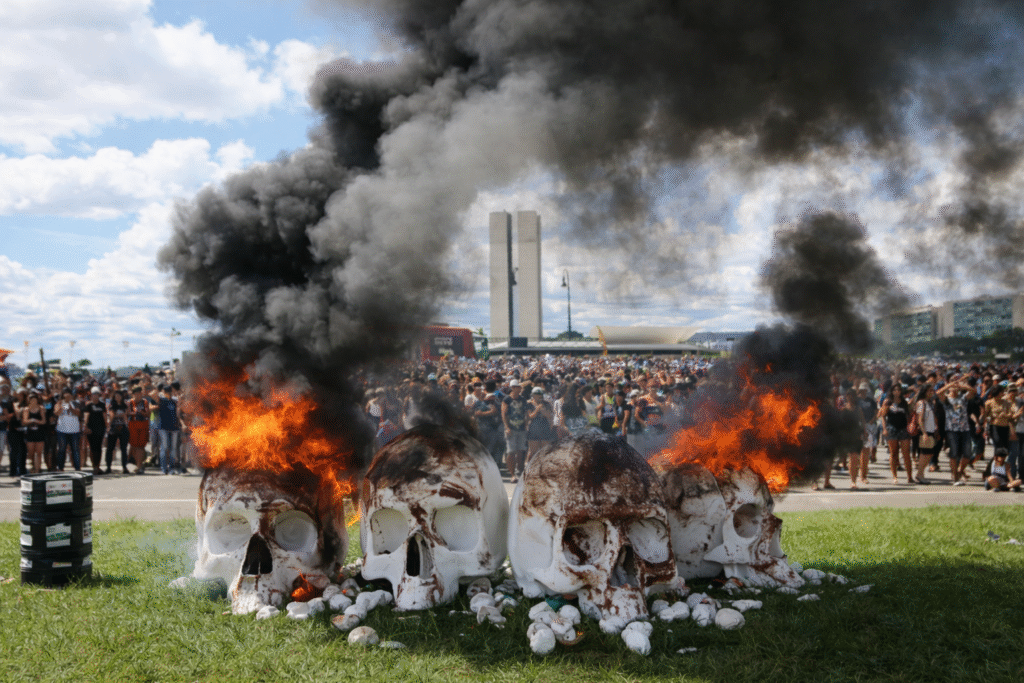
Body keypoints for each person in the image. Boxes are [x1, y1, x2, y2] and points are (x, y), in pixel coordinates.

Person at [937, 378, 972, 485]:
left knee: (967, 453)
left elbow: (973, 391)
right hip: (952, 430)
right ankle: (955, 476)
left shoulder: (963, 398)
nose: (955, 388)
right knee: (954, 453)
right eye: (953, 387)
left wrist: (962, 386)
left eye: (956, 387)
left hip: (965, 429)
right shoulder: (946, 399)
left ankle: (960, 471)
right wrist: (949, 385)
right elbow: (938, 393)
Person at [879, 383, 914, 485]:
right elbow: (883, 416)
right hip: (892, 429)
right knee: (893, 453)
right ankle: (894, 476)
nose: (897, 392)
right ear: (892, 391)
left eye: (898, 390)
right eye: (895, 390)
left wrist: (910, 426)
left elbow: (908, 415)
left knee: (906, 453)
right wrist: (884, 429)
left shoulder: (904, 402)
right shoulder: (888, 402)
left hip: (903, 429)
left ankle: (910, 476)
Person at [502, 379, 529, 480]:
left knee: (521, 451)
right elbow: (503, 414)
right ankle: (512, 474)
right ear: (513, 388)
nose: (520, 388)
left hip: (521, 428)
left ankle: (520, 472)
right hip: (511, 428)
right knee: (511, 452)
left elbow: (525, 413)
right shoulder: (507, 399)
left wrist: (526, 425)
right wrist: (507, 427)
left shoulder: (522, 399)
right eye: (518, 387)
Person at [912, 384, 939, 485]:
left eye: (932, 390)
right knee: (925, 453)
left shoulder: (929, 403)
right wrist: (924, 433)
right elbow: (920, 419)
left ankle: (920, 474)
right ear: (924, 392)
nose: (931, 392)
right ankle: (919, 474)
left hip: (930, 431)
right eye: (929, 391)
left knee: (929, 453)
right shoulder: (921, 403)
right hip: (925, 431)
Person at [53, 388, 82, 471]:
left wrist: (70, 407)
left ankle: (77, 467)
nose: (67, 395)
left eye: (69, 393)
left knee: (75, 449)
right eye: (65, 393)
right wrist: (62, 405)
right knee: (62, 449)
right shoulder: (59, 403)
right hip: (62, 430)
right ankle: (60, 467)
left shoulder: (75, 403)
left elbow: (78, 413)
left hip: (74, 430)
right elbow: (56, 413)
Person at [525, 386, 555, 465]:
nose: (540, 396)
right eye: (538, 394)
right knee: (532, 451)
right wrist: (537, 408)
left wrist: (543, 410)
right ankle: (528, 466)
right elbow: (531, 416)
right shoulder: (529, 403)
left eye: (541, 394)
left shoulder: (546, 404)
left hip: (545, 428)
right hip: (533, 429)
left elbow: (550, 415)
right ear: (533, 395)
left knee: (544, 451)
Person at [158, 382, 183, 474]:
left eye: (169, 391)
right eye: (166, 391)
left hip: (174, 427)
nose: (168, 393)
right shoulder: (161, 400)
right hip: (163, 427)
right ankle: (164, 468)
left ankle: (172, 468)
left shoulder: (175, 401)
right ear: (163, 392)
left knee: (173, 449)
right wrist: (161, 393)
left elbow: (178, 413)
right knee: (164, 448)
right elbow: (151, 394)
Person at [83, 386, 108, 474]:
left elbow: (105, 416)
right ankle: (94, 466)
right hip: (91, 429)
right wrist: (85, 427)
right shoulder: (89, 405)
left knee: (99, 448)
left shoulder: (102, 404)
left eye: (97, 394)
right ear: (91, 395)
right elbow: (86, 416)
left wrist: (107, 426)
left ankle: (98, 466)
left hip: (100, 429)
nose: (95, 396)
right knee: (92, 448)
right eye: (94, 394)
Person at [127, 385, 150, 474]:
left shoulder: (145, 402)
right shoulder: (130, 402)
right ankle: (138, 465)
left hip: (143, 425)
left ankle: (139, 466)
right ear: (133, 394)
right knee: (134, 446)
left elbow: (148, 414)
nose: (138, 395)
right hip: (133, 425)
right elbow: (127, 413)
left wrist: (143, 413)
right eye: (136, 394)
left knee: (141, 446)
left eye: (140, 393)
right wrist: (134, 412)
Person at [106, 389, 130, 473]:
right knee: (110, 448)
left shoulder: (125, 405)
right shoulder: (111, 405)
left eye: (119, 396)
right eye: (116, 396)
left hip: (123, 427)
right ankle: (108, 467)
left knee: (124, 448)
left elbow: (126, 416)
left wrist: (122, 416)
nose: (118, 397)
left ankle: (124, 467)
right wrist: (109, 426)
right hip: (113, 427)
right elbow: (111, 416)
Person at [22, 392, 46, 474]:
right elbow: (24, 421)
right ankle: (32, 466)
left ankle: (38, 469)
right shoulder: (26, 409)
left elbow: (43, 421)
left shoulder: (41, 408)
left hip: (40, 432)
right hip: (30, 433)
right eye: (31, 399)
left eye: (34, 399)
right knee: (31, 452)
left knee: (39, 452)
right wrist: (31, 420)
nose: (33, 401)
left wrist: (37, 421)